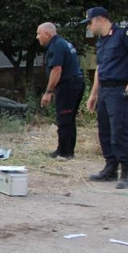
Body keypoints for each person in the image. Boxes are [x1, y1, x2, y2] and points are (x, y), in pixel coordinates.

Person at [82, 7, 128, 189]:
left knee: (119, 130)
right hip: (105, 90)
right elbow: (99, 69)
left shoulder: (124, 34)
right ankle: (110, 168)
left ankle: (127, 170)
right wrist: (93, 94)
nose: (89, 27)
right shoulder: (102, 42)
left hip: (120, 90)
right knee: (104, 131)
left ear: (100, 20)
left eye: (90, 22)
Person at [36, 22, 85, 159]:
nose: (37, 37)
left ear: (47, 34)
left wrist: (48, 92)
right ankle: (66, 150)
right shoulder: (63, 43)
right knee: (69, 119)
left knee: (64, 118)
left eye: (39, 33)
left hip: (68, 85)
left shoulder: (56, 45)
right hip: (76, 83)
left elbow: (57, 70)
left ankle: (64, 152)